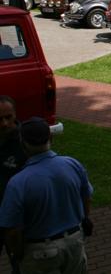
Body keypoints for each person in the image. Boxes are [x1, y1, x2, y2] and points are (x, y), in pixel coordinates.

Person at [0, 117, 93, 274]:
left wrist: (17, 253)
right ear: (50, 138)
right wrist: (84, 220)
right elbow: (87, 197)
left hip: (40, 252)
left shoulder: (18, 182)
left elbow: (12, 229)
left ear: (23, 144)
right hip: (74, 242)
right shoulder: (72, 164)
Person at [0, 97, 26, 274]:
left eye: (8, 117)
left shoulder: (25, 142)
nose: (4, 123)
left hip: (17, 218)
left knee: (20, 264)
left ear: (15, 114)